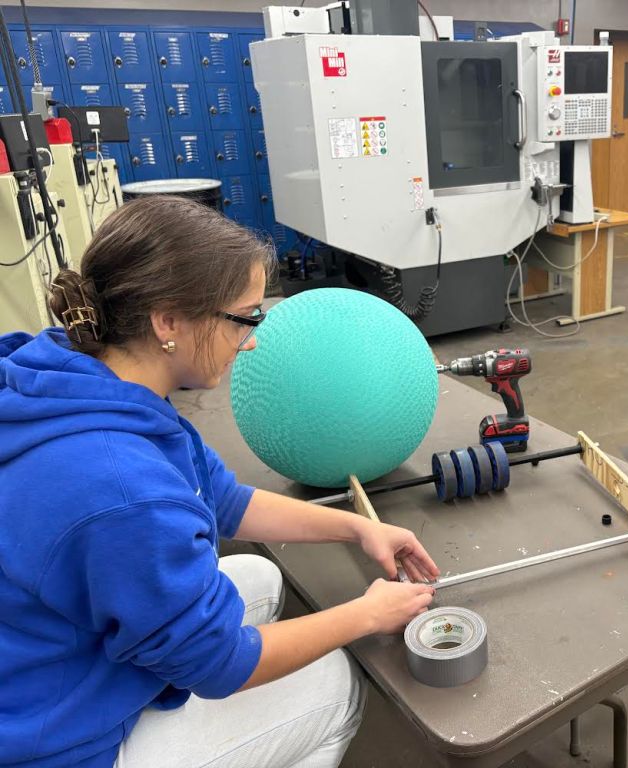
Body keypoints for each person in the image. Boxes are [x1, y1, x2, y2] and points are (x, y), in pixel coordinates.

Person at [0, 196, 440, 768]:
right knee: (333, 678)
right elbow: (221, 666)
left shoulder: (83, 376)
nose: (252, 339)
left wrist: (358, 530)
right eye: (244, 317)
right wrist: (368, 614)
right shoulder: (122, 485)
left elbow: (225, 500)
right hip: (58, 741)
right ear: (168, 322)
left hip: (49, 660)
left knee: (256, 574)